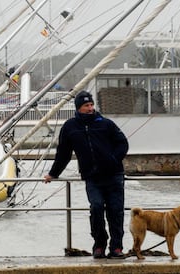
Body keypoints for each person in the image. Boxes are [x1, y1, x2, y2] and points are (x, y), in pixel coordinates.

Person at [44, 90, 129, 259]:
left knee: (116, 212)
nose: (90, 108)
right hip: (92, 177)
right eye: (86, 106)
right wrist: (53, 173)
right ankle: (99, 245)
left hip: (114, 175)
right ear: (78, 108)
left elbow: (123, 144)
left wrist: (113, 159)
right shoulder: (70, 127)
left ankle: (116, 247)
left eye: (91, 105)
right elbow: (64, 153)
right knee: (96, 208)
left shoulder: (106, 124)